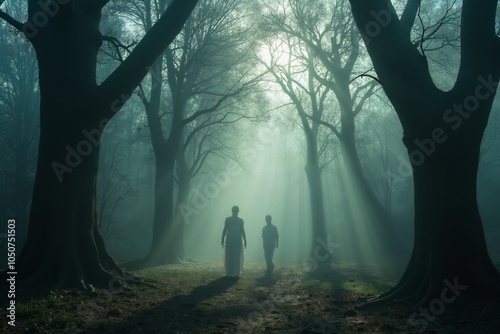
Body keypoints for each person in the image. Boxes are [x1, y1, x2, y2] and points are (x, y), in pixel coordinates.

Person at [221, 206, 247, 277]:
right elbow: (225, 229)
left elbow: (242, 231)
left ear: (238, 211)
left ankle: (236, 271)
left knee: (237, 255)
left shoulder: (240, 220)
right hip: (230, 239)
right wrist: (222, 238)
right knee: (229, 254)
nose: (235, 212)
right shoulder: (228, 219)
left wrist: (245, 240)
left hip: (238, 240)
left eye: (236, 210)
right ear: (232, 211)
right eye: (234, 210)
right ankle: (229, 271)